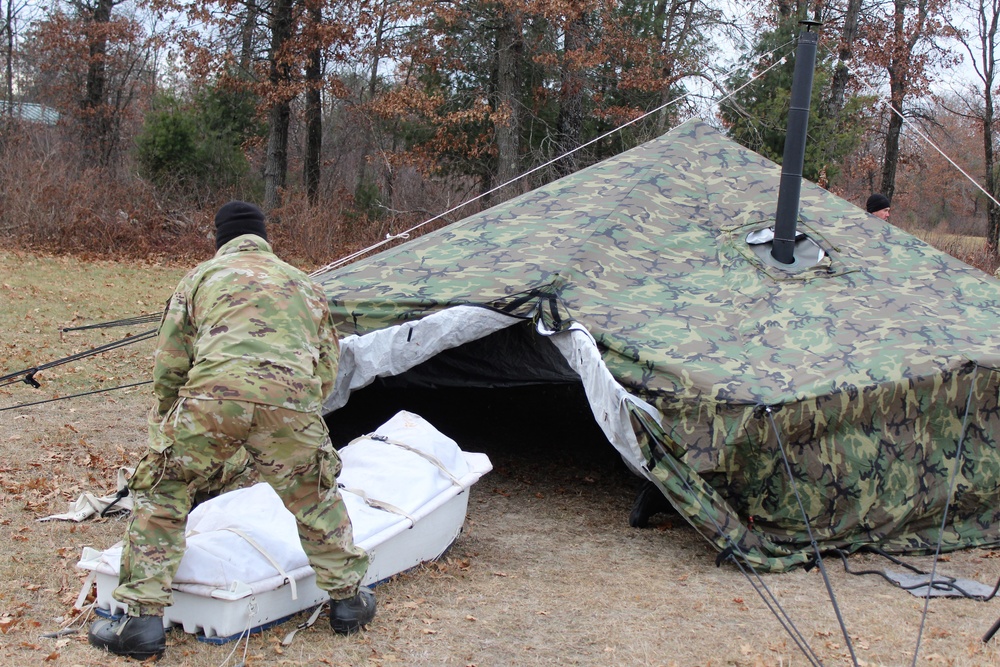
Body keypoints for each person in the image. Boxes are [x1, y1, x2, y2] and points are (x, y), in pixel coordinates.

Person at [88, 201, 374, 661]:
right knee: (315, 495)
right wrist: (299, 412)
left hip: (210, 403)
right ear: (265, 238)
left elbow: (170, 363)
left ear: (218, 239)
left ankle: (141, 623)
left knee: (164, 491)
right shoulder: (305, 284)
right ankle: (347, 604)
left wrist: (168, 422)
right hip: (290, 406)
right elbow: (327, 366)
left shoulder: (199, 278)